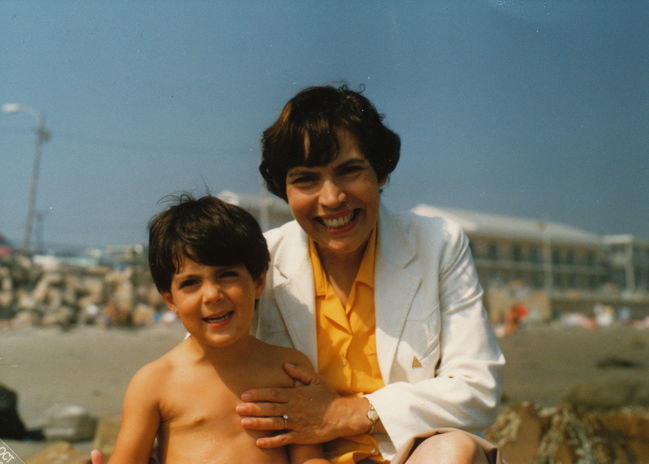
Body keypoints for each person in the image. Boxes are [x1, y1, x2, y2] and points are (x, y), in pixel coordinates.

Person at [234, 85, 506, 463]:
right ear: (284, 189)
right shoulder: (258, 259)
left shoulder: (438, 243)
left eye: (349, 171)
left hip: (414, 455)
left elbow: (478, 389)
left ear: (381, 173)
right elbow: (199, 368)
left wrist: (348, 413)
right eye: (306, 179)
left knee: (454, 450)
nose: (331, 199)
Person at [90, 194, 330, 464]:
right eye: (191, 283)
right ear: (170, 299)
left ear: (259, 281)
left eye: (227, 275)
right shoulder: (154, 383)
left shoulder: (289, 368)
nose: (212, 295)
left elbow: (308, 456)